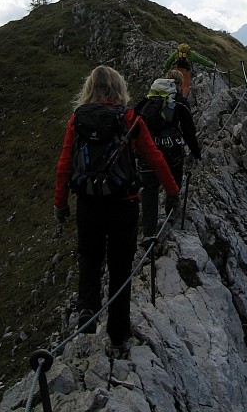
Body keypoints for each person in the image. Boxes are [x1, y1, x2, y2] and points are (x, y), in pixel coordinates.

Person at [53, 65, 179, 351]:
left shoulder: (77, 119)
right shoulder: (130, 118)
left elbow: (64, 166)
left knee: (89, 256)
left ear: (89, 88)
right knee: (120, 266)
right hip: (123, 204)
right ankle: (118, 332)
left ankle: (87, 310)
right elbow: (156, 159)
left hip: (88, 203)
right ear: (119, 88)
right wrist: (172, 192)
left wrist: (60, 204)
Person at [134, 70, 202, 238]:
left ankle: (149, 234)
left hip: (147, 152)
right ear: (178, 84)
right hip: (172, 151)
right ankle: (171, 216)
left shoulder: (146, 102)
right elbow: (189, 132)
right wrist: (196, 153)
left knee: (150, 190)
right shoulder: (180, 102)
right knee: (174, 179)